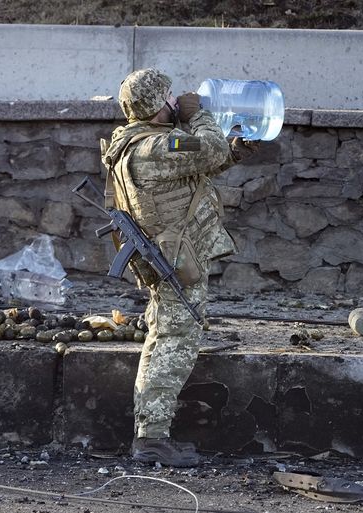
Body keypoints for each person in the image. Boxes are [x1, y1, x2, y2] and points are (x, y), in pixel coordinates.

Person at [100, 68, 256, 467]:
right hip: (175, 258)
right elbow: (205, 149)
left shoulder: (137, 142)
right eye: (169, 96)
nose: (176, 101)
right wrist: (198, 114)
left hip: (172, 252)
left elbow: (197, 164)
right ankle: (151, 439)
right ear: (156, 107)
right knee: (174, 343)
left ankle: (151, 436)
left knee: (164, 338)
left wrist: (231, 150)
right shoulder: (154, 147)